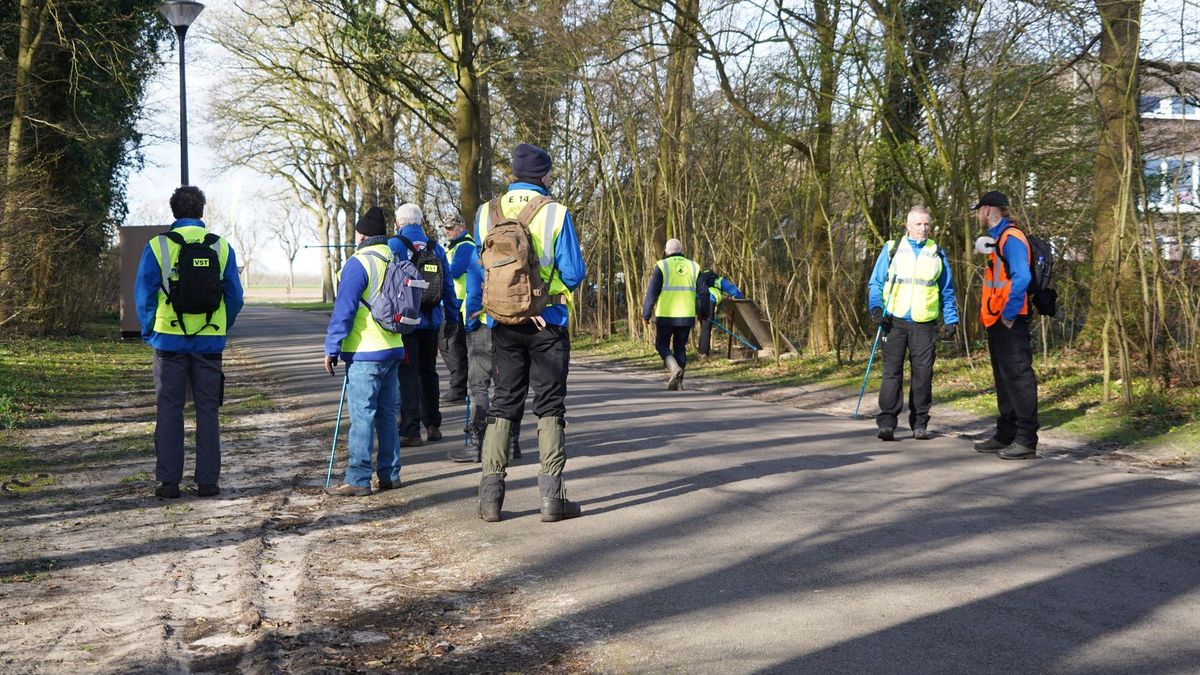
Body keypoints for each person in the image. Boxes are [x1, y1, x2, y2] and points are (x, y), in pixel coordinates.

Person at [471, 143, 586, 522]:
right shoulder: (556, 213)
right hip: (547, 322)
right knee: (550, 405)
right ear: (544, 175)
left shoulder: (487, 213)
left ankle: (490, 500)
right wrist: (544, 299)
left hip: (502, 324)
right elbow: (573, 273)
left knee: (503, 403)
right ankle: (552, 500)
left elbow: (480, 267)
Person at [135, 186, 244, 499]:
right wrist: (221, 326)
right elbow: (235, 297)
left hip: (168, 342)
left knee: (169, 410)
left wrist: (148, 331)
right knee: (208, 411)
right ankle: (207, 482)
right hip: (209, 343)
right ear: (201, 211)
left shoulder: (157, 246)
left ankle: (169, 483)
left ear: (174, 212)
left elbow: (144, 295)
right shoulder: (221, 247)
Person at [321, 206, 406, 496]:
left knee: (362, 415)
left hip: (365, 351)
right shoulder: (395, 257)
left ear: (360, 234)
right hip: (394, 347)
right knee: (386, 415)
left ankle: (357, 479)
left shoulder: (358, 263)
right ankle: (390, 474)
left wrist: (332, 347)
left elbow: (344, 310)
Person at [866, 205, 959, 441]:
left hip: (924, 324)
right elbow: (875, 283)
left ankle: (920, 423)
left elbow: (947, 289)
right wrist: (876, 308)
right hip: (894, 321)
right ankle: (887, 422)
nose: (923, 228)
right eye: (918, 224)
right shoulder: (892, 249)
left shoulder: (936, 252)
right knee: (891, 373)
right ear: (907, 226)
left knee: (923, 375)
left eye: (927, 224)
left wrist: (951, 319)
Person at [971, 191, 1039, 459]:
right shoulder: (999, 239)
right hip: (996, 319)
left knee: (1019, 379)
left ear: (988, 210)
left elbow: (1022, 277)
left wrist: (1009, 313)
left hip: (1010, 319)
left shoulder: (1011, 238)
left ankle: (1026, 440)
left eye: (979, 210)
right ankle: (1006, 433)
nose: (977, 215)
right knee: (1004, 379)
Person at [446, 244, 525, 463]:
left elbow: (473, 292)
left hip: (483, 325)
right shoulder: (518, 246)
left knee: (479, 387)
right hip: (512, 325)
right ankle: (510, 443)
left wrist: (470, 325)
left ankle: (476, 444)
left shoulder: (479, 251)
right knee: (508, 387)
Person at [389, 203, 458, 447]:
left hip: (406, 323)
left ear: (399, 223)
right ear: (420, 222)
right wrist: (452, 318)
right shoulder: (435, 247)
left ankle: (410, 430)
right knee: (429, 373)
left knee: (408, 374)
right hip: (432, 321)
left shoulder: (394, 246)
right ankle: (433, 425)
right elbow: (448, 285)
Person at [642, 239, 700, 390]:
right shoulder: (694, 266)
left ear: (666, 251)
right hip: (686, 316)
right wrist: (703, 313)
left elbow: (652, 292)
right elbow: (704, 293)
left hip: (666, 315)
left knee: (661, 345)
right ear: (682, 250)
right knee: (680, 347)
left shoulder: (662, 266)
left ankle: (674, 368)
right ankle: (679, 383)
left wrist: (646, 314)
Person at [438, 218, 473, 405]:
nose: (447, 231)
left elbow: (455, 271)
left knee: (453, 345)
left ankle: (458, 387)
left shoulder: (465, 245)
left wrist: (438, 269)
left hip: (459, 303)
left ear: (462, 227)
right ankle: (459, 384)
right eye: (445, 228)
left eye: (451, 228)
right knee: (448, 344)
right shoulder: (455, 245)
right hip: (452, 302)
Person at [696, 268, 745, 360]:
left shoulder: (699, 280)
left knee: (704, 327)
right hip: (709, 301)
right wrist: (741, 297)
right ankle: (703, 354)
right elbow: (734, 291)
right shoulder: (719, 280)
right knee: (706, 328)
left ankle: (702, 351)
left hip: (697, 302)